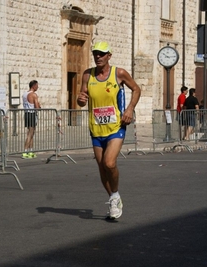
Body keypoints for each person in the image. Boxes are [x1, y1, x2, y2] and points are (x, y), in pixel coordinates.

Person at [77, 41, 141, 220]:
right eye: (96, 53)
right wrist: (81, 100)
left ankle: (114, 196)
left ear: (109, 56)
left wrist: (129, 109)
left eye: (102, 54)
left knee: (109, 163)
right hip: (96, 128)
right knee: (101, 167)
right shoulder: (87, 75)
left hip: (116, 127)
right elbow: (82, 98)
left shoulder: (118, 73)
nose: (98, 56)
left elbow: (136, 89)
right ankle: (114, 197)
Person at [22, 80, 41, 159]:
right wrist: (39, 107)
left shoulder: (24, 94)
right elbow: (36, 107)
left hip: (26, 113)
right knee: (30, 134)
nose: (38, 87)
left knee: (31, 133)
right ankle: (25, 151)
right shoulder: (33, 95)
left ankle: (31, 151)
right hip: (32, 114)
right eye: (37, 85)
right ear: (33, 86)